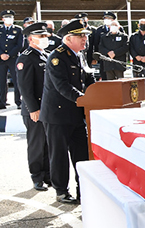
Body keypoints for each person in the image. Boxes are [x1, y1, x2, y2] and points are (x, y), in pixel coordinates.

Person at [41, 20, 95, 204]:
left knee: (82, 155)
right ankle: (62, 191)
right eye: (81, 36)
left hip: (76, 114)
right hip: (58, 116)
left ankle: (83, 190)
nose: (85, 39)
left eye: (85, 36)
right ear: (68, 38)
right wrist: (84, 99)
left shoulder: (80, 55)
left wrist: (98, 93)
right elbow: (62, 86)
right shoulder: (57, 57)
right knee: (59, 156)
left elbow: (88, 78)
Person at [16, 22, 52, 191]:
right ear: (31, 39)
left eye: (46, 36)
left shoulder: (46, 55)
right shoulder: (26, 57)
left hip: (47, 107)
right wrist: (33, 109)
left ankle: (48, 175)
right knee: (37, 144)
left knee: (47, 144)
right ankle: (37, 176)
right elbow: (25, 87)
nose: (45, 39)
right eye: (41, 36)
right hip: (35, 109)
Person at [0, 10, 23, 109]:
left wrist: (9, 54)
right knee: (1, 81)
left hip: (13, 58)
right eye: (7, 17)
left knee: (17, 80)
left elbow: (19, 45)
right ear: (2, 19)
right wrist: (1, 54)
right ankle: (2, 102)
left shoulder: (18, 30)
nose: (9, 19)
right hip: (1, 59)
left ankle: (18, 101)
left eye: (11, 17)